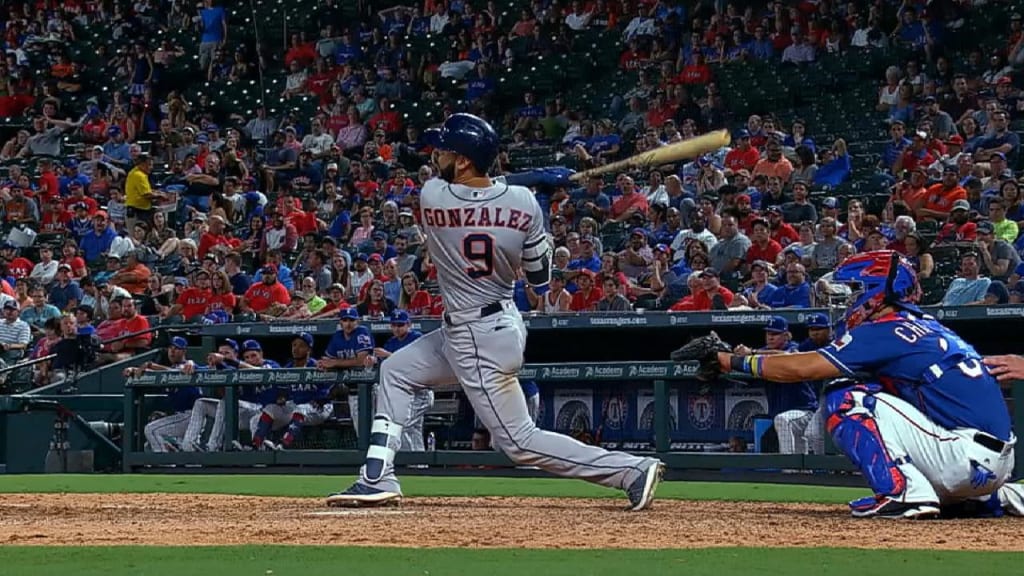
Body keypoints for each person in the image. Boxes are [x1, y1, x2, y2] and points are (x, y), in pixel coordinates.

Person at [326, 113, 664, 510]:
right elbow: (539, 280)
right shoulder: (524, 205)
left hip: (476, 336)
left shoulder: (433, 195)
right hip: (497, 321)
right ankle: (376, 476)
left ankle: (630, 470)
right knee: (396, 372)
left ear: (465, 161)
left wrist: (527, 178)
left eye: (445, 150)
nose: (437, 156)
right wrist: (533, 189)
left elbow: (479, 194)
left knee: (518, 441)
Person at [708, 250, 1015, 519]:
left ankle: (902, 492)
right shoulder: (926, 326)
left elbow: (804, 367)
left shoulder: (884, 329)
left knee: (846, 396)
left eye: (858, 289)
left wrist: (732, 362)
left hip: (960, 458)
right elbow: (807, 355)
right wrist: (743, 354)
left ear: (879, 293)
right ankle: (979, 496)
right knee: (876, 392)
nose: (852, 299)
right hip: (990, 465)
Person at [364, 310, 434, 451]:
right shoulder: (391, 342)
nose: (396, 328)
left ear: (409, 325)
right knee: (414, 431)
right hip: (407, 395)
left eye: (400, 325)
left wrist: (388, 355)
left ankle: (406, 461)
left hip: (421, 393)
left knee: (400, 425)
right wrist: (373, 360)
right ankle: (420, 466)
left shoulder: (417, 338)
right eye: (394, 325)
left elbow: (414, 362)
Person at [124, 337, 201, 452]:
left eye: (176, 349)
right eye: (170, 348)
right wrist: (133, 370)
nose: (172, 351)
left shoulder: (188, 366)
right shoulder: (171, 367)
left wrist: (150, 365)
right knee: (151, 444)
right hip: (181, 416)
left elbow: (174, 372)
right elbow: (162, 372)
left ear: (184, 351)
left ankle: (165, 464)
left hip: (192, 416)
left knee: (151, 430)